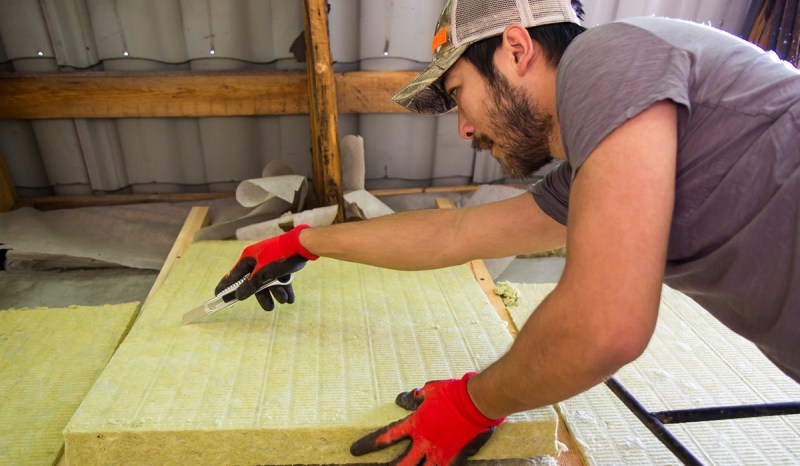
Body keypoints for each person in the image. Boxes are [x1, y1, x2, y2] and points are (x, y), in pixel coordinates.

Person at [215, 0, 800, 463]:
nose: (464, 129)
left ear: (516, 49)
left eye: (458, 96)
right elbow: (456, 234)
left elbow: (604, 326)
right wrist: (303, 243)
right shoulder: (595, 167)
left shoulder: (606, 57)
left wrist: (472, 405)